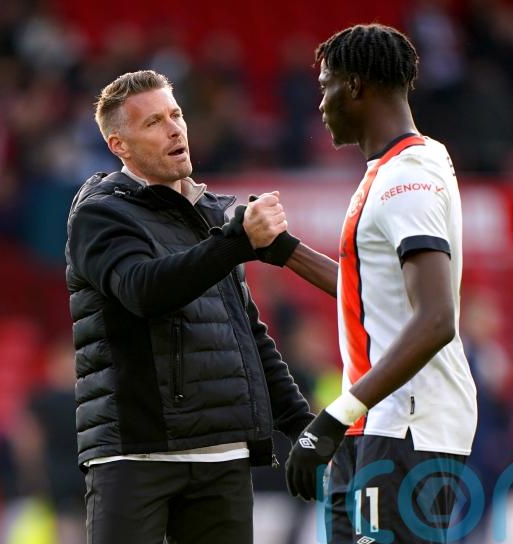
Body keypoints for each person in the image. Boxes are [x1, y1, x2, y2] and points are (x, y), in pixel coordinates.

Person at [64, 69, 313, 544]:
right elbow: (144, 291)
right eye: (153, 122)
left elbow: (248, 335)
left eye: (175, 115)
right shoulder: (100, 213)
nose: (174, 129)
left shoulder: (211, 216)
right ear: (119, 145)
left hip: (222, 455)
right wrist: (235, 242)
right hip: (137, 454)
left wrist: (301, 424)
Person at [275, 24, 478, 543]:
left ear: (355, 86)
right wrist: (283, 251)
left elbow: (437, 319)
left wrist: (333, 417)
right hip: (374, 423)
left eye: (326, 86)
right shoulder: (394, 171)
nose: (321, 103)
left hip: (404, 425)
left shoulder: (407, 178)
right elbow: (367, 292)